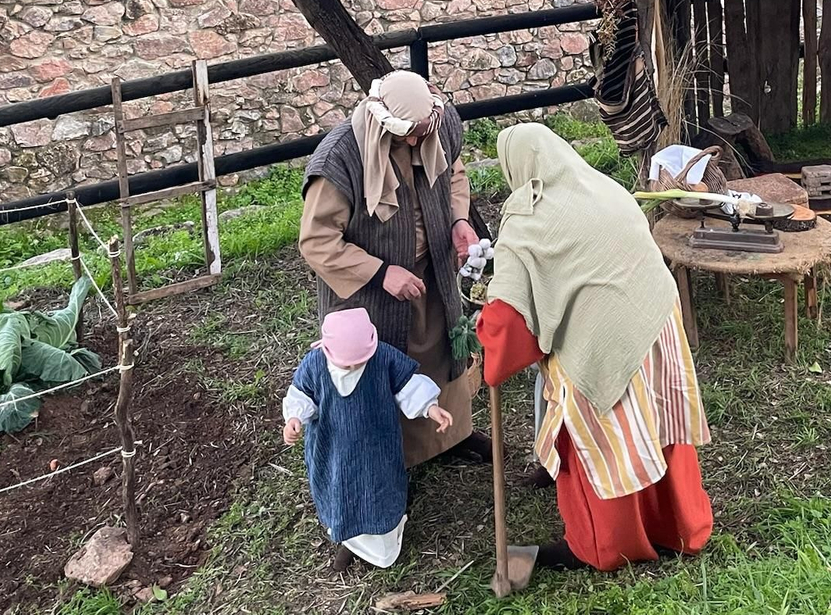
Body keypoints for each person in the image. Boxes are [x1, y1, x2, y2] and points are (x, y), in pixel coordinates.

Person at [477, 123, 713, 590]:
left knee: (604, 442)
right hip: (655, 317)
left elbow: (507, 322)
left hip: (601, 340)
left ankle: (609, 545)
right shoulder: (601, 185)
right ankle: (681, 527)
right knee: (657, 424)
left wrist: (486, 341)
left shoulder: (525, 222)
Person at [299, 71, 485, 467]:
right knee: (383, 362)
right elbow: (317, 241)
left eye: (422, 133)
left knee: (439, 349)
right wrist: (382, 272)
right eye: (407, 136)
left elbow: (454, 174)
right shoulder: (340, 159)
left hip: (432, 267)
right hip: (370, 288)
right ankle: (389, 461)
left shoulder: (438, 125)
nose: (417, 142)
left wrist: (458, 221)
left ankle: (450, 436)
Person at [282, 309, 453, 570]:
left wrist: (430, 408)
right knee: (341, 493)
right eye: (346, 363)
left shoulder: (382, 357)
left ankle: (383, 550)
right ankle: (350, 542)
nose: (353, 367)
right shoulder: (315, 363)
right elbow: (301, 396)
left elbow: (408, 386)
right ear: (328, 350)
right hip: (333, 451)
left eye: (359, 361)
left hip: (376, 448)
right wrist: (294, 418)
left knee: (378, 494)